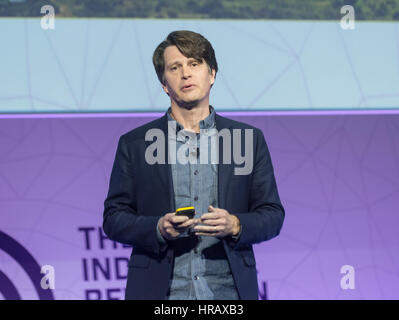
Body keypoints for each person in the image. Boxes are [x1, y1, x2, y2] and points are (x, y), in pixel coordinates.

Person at [103, 30, 285, 300]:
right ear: (165, 84)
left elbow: (272, 215)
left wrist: (235, 224)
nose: (185, 74)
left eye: (194, 63)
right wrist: (158, 228)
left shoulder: (247, 140)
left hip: (228, 294)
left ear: (211, 74)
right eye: (175, 67)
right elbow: (114, 218)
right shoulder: (136, 144)